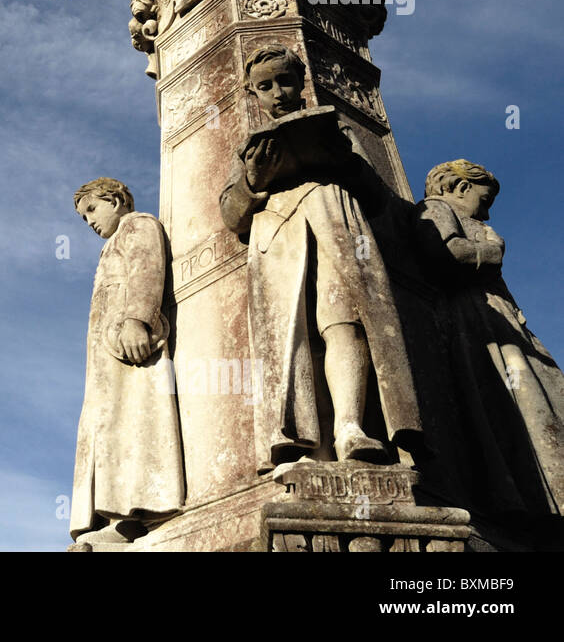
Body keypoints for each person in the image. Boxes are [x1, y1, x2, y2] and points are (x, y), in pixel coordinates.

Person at [218, 45, 422, 471]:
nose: (277, 92)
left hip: (336, 219)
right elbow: (231, 213)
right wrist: (254, 179)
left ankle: (350, 427)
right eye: (265, 86)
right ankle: (300, 438)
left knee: (344, 321)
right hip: (278, 233)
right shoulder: (251, 148)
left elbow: (377, 196)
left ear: (302, 82)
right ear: (252, 94)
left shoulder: (338, 129)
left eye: (285, 81)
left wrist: (342, 161)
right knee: (290, 334)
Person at [415, 159, 564, 518]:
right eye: (485, 202)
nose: (487, 214)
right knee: (519, 402)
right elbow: (443, 251)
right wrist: (491, 252)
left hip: (494, 317)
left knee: (537, 404)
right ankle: (527, 495)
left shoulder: (464, 218)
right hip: (477, 318)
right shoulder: (435, 209)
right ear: (461, 188)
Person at [69, 177, 184, 545]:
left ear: (116, 199)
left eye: (91, 209)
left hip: (130, 347)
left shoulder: (139, 224)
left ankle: (142, 509)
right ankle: (119, 513)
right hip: (106, 359)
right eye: (83, 217)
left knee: (136, 420)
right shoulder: (110, 246)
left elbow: (147, 268)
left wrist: (138, 319)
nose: (89, 222)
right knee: (110, 427)